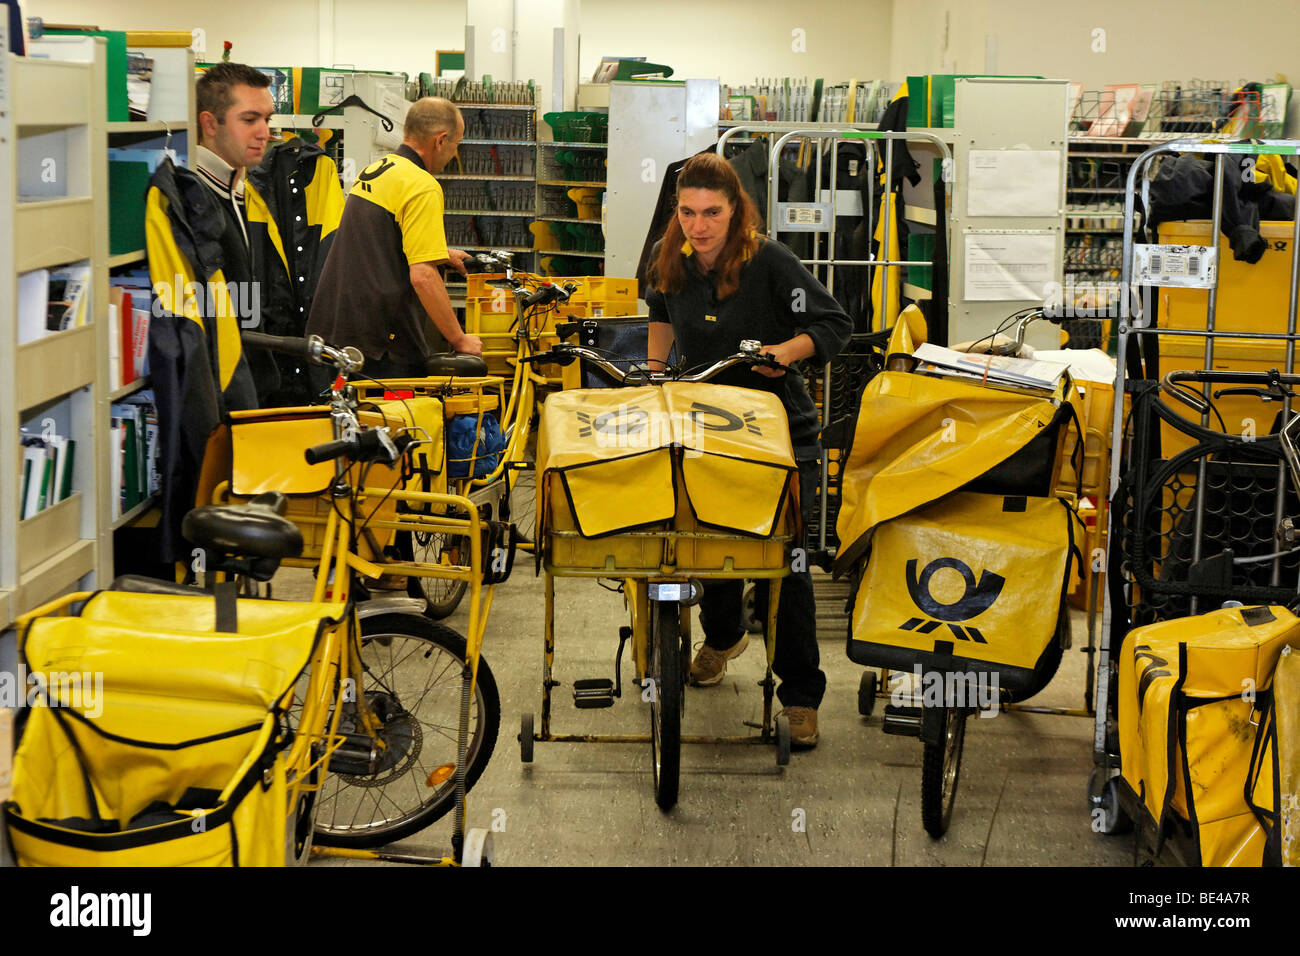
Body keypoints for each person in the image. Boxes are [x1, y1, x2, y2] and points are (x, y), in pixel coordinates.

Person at [645, 153, 852, 748]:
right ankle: (725, 634)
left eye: (712, 212)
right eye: (688, 212)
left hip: (778, 429)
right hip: (704, 423)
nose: (699, 225)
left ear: (735, 210)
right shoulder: (671, 256)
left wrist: (786, 353)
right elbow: (660, 308)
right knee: (710, 540)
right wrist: (656, 372)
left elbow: (835, 323)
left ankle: (802, 697)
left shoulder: (768, 261)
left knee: (784, 560)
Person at [307, 96, 482, 383]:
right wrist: (459, 339)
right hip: (380, 348)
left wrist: (440, 252)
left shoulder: (377, 170)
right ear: (440, 140)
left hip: (336, 331)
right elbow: (423, 276)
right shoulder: (422, 185)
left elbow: (379, 239)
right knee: (396, 423)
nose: (454, 154)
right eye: (456, 145)